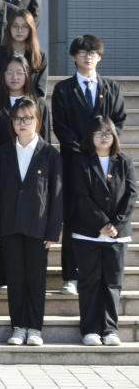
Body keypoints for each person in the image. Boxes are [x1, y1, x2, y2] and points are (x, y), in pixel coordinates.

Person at [51, 35, 127, 296]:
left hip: (105, 161)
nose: (88, 56)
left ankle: (101, 271)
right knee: (74, 214)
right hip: (74, 162)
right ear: (73, 56)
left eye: (93, 52)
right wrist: (82, 151)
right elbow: (60, 124)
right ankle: (71, 275)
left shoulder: (111, 87)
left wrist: (103, 146)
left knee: (103, 210)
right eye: (82, 52)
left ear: (100, 57)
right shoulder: (64, 89)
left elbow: (118, 120)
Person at [0, 97, 62, 346]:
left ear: (38, 121)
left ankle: (34, 327)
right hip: (10, 225)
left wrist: (53, 231)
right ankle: (18, 326)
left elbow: (57, 194)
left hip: (38, 227)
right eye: (17, 119)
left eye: (28, 118)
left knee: (35, 279)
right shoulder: (2, 153)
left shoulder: (50, 153)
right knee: (15, 279)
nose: (22, 123)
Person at [70, 116, 138, 346]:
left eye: (108, 132)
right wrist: (101, 223)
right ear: (91, 137)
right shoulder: (81, 162)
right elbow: (80, 195)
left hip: (117, 235)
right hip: (87, 232)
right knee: (89, 283)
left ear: (114, 136)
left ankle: (110, 330)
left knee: (112, 283)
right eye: (98, 133)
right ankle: (89, 329)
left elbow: (131, 194)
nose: (104, 137)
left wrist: (115, 224)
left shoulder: (124, 161)